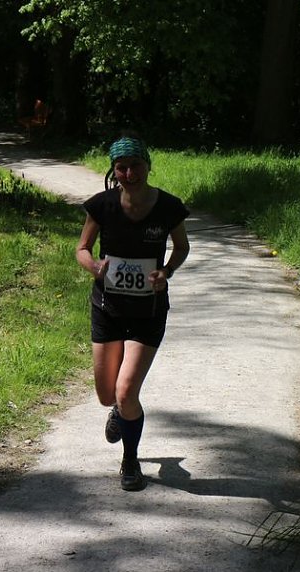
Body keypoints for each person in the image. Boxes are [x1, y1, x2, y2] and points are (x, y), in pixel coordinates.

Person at [76, 135, 190, 491]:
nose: (129, 173)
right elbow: (81, 248)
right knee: (107, 396)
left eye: (135, 166)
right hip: (108, 308)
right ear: (115, 170)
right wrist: (94, 266)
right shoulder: (102, 205)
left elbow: (182, 247)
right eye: (121, 168)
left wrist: (166, 271)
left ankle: (130, 460)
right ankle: (120, 413)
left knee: (126, 392)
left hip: (148, 311)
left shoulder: (168, 207)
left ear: (147, 165)